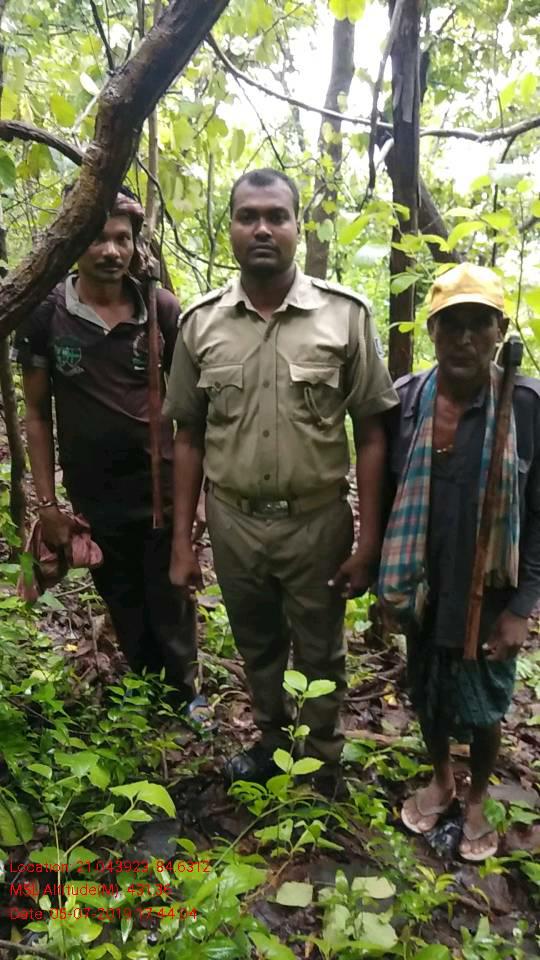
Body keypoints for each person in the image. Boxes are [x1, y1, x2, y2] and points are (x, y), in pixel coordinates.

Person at [163, 168, 398, 788]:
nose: (262, 228)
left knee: (321, 647)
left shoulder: (344, 317)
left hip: (317, 521)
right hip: (234, 520)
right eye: (248, 216)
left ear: (297, 227)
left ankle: (321, 755)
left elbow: (373, 433)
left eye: (276, 216)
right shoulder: (201, 324)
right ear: (231, 228)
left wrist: (368, 542)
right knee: (257, 642)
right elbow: (187, 435)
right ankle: (271, 741)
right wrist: (183, 543)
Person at [13, 188, 202, 713]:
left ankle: (186, 695)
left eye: (123, 238)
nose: (111, 251)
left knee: (171, 596)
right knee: (121, 595)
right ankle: (146, 694)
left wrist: (198, 498)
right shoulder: (47, 314)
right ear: (75, 242)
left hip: (161, 489)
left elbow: (192, 412)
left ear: (137, 244)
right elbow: (36, 413)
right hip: (95, 496)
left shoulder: (160, 309)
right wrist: (48, 505)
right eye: (98, 238)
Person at [379, 263, 540, 861]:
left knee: (484, 702)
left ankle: (476, 795)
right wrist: (386, 584)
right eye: (451, 325)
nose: (465, 339)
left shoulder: (525, 405)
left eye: (479, 324)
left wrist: (521, 608)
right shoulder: (407, 400)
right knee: (427, 688)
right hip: (424, 578)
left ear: (500, 332)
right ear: (432, 331)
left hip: (491, 588)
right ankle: (442, 777)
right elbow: (387, 494)